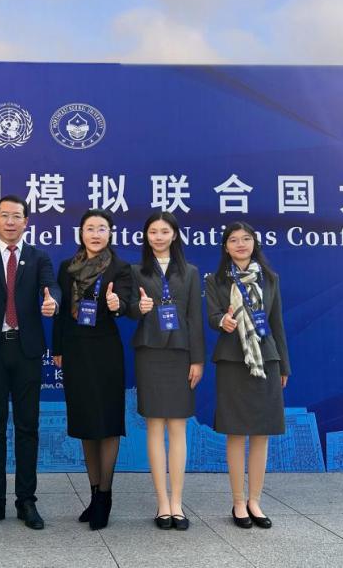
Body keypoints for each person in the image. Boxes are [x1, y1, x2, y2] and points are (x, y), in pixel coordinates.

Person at [0, 195, 60, 531]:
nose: (10, 222)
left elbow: (52, 287)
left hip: (26, 350)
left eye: (16, 216)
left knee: (27, 426)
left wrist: (52, 301)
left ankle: (26, 500)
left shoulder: (38, 257)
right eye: (4, 215)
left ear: (26, 222)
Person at [205, 221, 290, 530]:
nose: (240, 244)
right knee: (236, 432)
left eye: (246, 239)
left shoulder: (270, 279)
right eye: (233, 240)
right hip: (232, 360)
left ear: (254, 243)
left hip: (265, 361)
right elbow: (213, 316)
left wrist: (284, 365)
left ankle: (255, 500)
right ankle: (238, 502)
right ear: (225, 247)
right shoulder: (215, 280)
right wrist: (223, 322)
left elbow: (277, 323)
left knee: (261, 433)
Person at [51, 209, 133, 530]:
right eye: (90, 228)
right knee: (86, 422)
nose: (95, 234)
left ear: (110, 234)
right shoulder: (67, 267)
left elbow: (124, 303)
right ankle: (94, 494)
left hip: (105, 349)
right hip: (75, 349)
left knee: (107, 422)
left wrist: (117, 305)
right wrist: (58, 348)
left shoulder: (120, 268)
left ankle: (106, 497)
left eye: (101, 228)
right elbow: (60, 313)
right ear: (81, 233)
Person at [128, 211, 205, 531]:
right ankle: (162, 503)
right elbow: (129, 309)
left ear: (174, 235)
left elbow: (195, 318)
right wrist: (139, 308)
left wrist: (197, 360)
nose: (158, 237)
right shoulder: (136, 271)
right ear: (146, 237)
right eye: (153, 232)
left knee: (178, 428)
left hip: (181, 354)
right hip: (149, 353)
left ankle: (177, 502)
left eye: (164, 232)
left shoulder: (190, 272)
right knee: (155, 427)